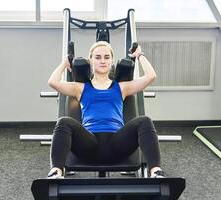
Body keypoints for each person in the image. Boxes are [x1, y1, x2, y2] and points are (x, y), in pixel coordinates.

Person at [47, 41, 164, 179]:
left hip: (117, 144)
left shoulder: (122, 87)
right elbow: (53, 82)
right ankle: (56, 172)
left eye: (106, 57)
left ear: (112, 61)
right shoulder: (81, 87)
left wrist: (139, 55)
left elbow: (151, 76)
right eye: (97, 57)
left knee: (145, 121)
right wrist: (65, 63)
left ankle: (155, 171)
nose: (102, 61)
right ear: (90, 60)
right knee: (63, 122)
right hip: (89, 145)